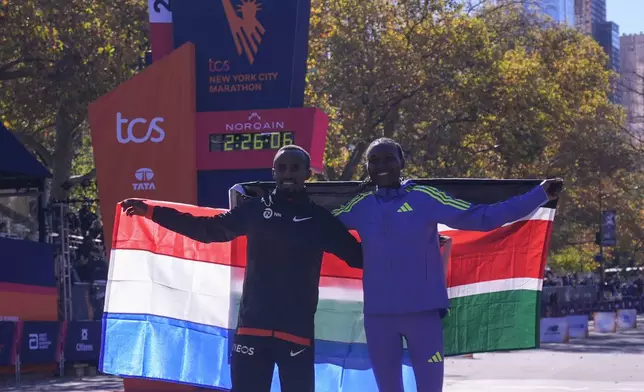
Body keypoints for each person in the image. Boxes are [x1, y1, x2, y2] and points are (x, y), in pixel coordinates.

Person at [121, 145, 363, 392]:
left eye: (295, 167)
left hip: (296, 332)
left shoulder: (320, 220)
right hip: (252, 327)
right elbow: (206, 230)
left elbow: (359, 258)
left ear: (307, 174)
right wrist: (152, 212)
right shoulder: (254, 210)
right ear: (273, 172)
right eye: (282, 167)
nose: (288, 173)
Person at [332, 137, 564, 392]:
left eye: (389, 158)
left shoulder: (424, 198)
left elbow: (483, 218)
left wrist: (539, 195)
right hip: (378, 318)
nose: (381, 165)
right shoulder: (360, 207)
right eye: (373, 160)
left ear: (402, 162)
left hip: (424, 316)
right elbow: (316, 226)